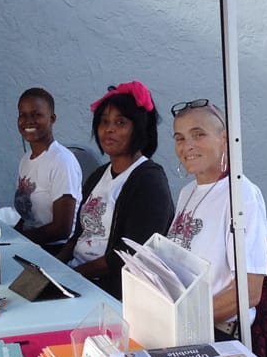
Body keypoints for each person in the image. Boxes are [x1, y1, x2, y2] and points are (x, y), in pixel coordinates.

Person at [58, 81, 174, 298]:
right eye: (104, 122)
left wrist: (74, 274)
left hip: (110, 291)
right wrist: (56, 267)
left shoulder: (149, 181)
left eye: (120, 122)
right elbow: (80, 234)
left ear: (139, 129)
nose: (109, 129)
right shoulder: (98, 174)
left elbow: (130, 253)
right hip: (79, 278)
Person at [167, 98, 267, 337]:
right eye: (180, 138)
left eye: (198, 134)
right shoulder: (187, 193)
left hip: (214, 331)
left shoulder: (241, 195)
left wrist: (184, 318)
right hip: (178, 322)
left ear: (225, 139)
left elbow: (249, 292)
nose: (187, 145)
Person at [13, 87, 82, 250]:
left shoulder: (62, 161)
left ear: (52, 118)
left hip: (55, 250)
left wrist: (17, 242)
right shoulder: (25, 160)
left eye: (36, 115)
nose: (28, 121)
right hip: (32, 244)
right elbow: (28, 217)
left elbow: (62, 230)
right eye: (23, 115)